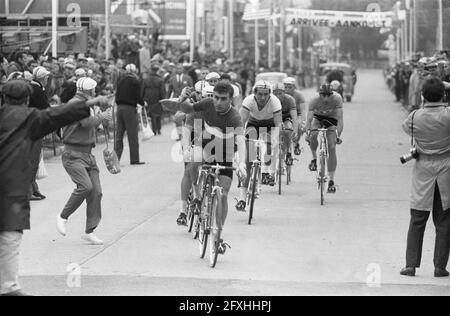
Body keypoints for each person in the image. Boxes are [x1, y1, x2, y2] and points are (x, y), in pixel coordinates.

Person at [0, 80, 94, 296]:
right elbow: (57, 115)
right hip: (11, 187)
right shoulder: (31, 118)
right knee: (10, 235)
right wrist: (88, 104)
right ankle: (9, 287)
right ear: (27, 100)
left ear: (4, 98)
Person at [178, 83, 247, 253]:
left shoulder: (234, 117)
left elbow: (241, 141)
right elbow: (187, 108)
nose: (218, 102)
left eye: (223, 99)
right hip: (204, 145)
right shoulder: (207, 104)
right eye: (216, 97)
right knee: (194, 159)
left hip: (225, 154)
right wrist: (182, 98)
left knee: (222, 195)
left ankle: (218, 236)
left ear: (231, 99)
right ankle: (196, 195)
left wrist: (243, 163)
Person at [400, 77, 450, 278]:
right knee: (444, 220)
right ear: (444, 94)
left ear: (422, 96)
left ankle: (411, 265)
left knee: (418, 218)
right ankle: (440, 267)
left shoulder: (414, 117)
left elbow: (406, 129)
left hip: (423, 171)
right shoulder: (448, 115)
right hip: (446, 169)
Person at [56, 77, 112, 245]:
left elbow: (92, 124)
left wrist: (101, 120)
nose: (95, 92)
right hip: (73, 154)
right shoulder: (75, 103)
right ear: (89, 90)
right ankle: (62, 216)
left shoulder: (87, 103)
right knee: (85, 186)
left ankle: (90, 231)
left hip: (87, 154)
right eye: (94, 89)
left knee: (96, 192)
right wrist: (101, 116)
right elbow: (85, 123)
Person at [235, 80, 282, 211]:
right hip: (253, 124)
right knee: (248, 161)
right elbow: (241, 121)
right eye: (260, 94)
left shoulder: (275, 101)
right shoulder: (249, 100)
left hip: (269, 125)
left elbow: (278, 124)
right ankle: (242, 199)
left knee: (268, 148)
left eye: (265, 94)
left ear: (269, 94)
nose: (262, 97)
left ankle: (265, 172)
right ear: (255, 93)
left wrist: (274, 139)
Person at [305, 84, 344, 194]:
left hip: (332, 120)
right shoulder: (314, 101)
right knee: (313, 135)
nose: (326, 98)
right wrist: (308, 133)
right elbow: (309, 119)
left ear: (332, 94)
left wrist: (338, 136)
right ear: (319, 94)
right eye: (323, 95)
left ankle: (331, 180)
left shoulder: (337, 99)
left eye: (328, 95)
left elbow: (340, 119)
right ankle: (314, 158)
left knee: (332, 146)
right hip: (318, 118)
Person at [28, 67, 52, 201]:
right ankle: (29, 191)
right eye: (47, 78)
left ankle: (34, 188)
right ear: (43, 78)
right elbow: (46, 110)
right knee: (33, 160)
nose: (47, 80)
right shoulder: (37, 90)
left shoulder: (31, 87)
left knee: (33, 160)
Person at [115, 64, 146, 165]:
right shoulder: (135, 81)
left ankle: (116, 159)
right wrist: (142, 103)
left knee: (119, 135)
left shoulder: (120, 81)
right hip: (129, 109)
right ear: (134, 71)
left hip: (119, 108)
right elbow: (138, 96)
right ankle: (134, 159)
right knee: (132, 135)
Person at [272, 83, 298, 167]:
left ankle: (288, 152)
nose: (278, 96)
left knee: (287, 130)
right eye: (275, 93)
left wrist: (295, 130)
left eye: (280, 93)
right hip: (275, 118)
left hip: (286, 117)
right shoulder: (270, 100)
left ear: (284, 93)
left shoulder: (290, 100)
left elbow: (294, 117)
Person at [168, 64, 194, 141]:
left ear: (182, 69)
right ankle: (179, 135)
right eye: (177, 68)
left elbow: (192, 88)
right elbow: (169, 90)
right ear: (175, 69)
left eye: (180, 68)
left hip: (186, 101)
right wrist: (168, 100)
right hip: (177, 101)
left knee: (186, 117)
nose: (179, 69)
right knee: (177, 118)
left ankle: (186, 133)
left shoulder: (188, 78)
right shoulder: (172, 79)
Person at [283, 77, 306, 156]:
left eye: (290, 87)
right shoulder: (280, 94)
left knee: (298, 125)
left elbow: (303, 110)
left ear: (294, 87)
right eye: (285, 87)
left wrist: (303, 122)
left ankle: (296, 143)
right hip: (285, 114)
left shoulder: (299, 95)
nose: (287, 89)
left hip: (297, 113)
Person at [142, 63, 166, 136]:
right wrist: (163, 99)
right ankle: (158, 129)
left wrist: (142, 98)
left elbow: (142, 89)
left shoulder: (146, 79)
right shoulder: (160, 80)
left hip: (148, 97)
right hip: (157, 97)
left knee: (152, 114)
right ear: (157, 71)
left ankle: (154, 130)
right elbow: (162, 90)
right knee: (157, 114)